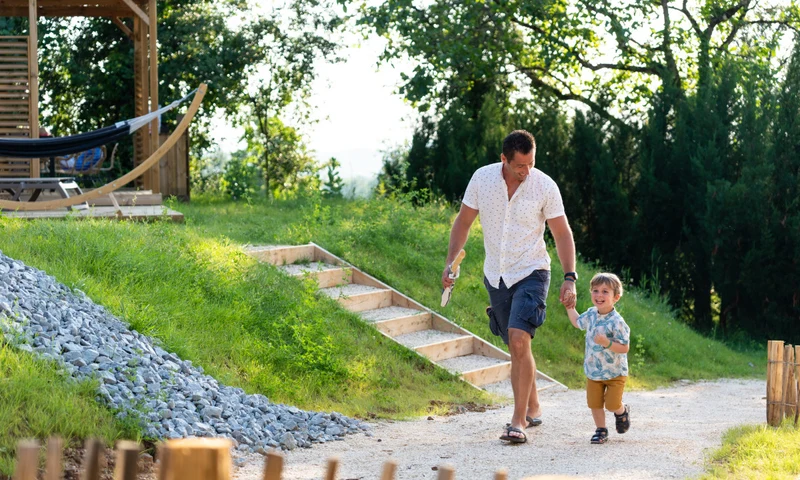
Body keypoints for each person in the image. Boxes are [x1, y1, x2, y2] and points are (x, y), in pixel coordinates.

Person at [441, 129, 577, 444]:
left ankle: (518, 421)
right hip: (496, 275)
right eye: (520, 166)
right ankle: (533, 405)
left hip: (533, 271)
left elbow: (561, 233)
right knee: (517, 345)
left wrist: (569, 277)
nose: (526, 171)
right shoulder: (482, 179)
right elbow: (463, 222)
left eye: (531, 163)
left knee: (518, 339)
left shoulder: (544, 186)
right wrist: (449, 263)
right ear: (504, 159)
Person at [564, 272, 631, 444]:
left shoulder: (617, 322)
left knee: (612, 404)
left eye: (605, 291)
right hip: (593, 370)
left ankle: (621, 411)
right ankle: (601, 430)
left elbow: (624, 347)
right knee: (594, 403)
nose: (599, 295)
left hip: (615, 372)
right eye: (595, 290)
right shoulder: (591, 314)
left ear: (616, 297)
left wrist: (607, 343)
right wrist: (569, 307)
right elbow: (577, 322)